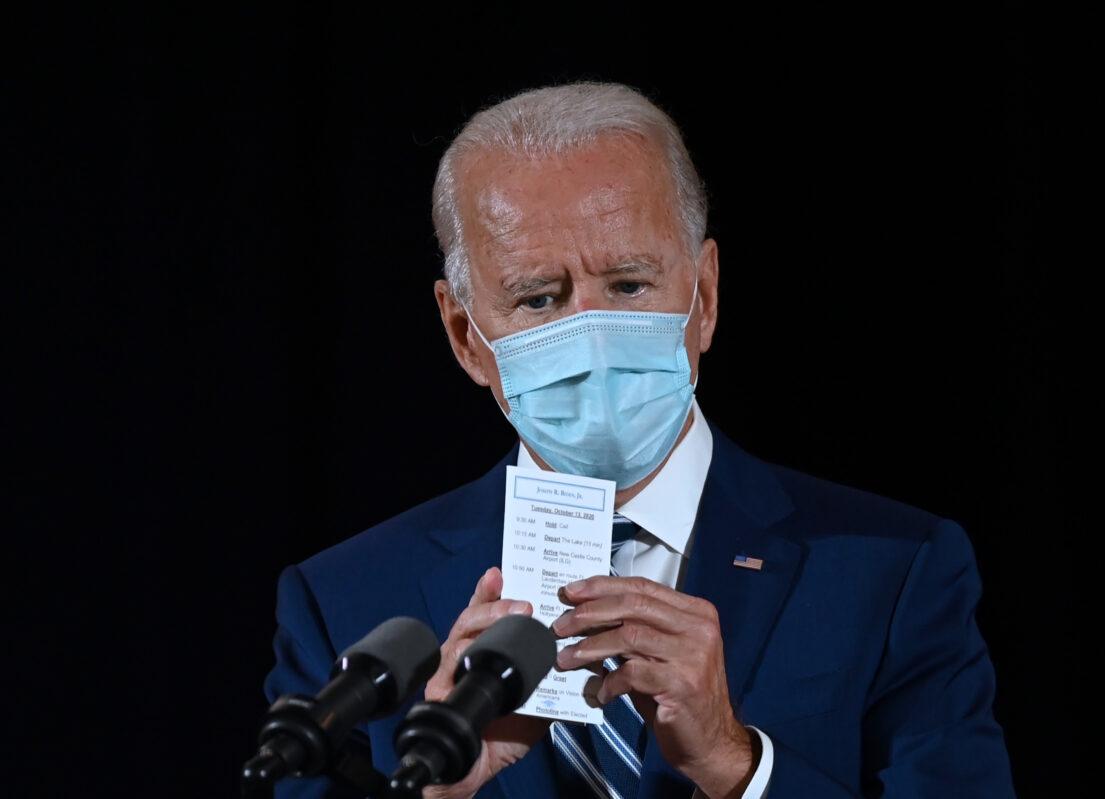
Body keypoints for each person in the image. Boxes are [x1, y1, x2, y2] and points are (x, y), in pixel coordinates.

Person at [264, 81, 1016, 798]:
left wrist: (735, 765)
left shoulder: (892, 573)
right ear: (466, 337)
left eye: (628, 285)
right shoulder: (346, 604)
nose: (591, 333)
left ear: (706, 296)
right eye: (538, 298)